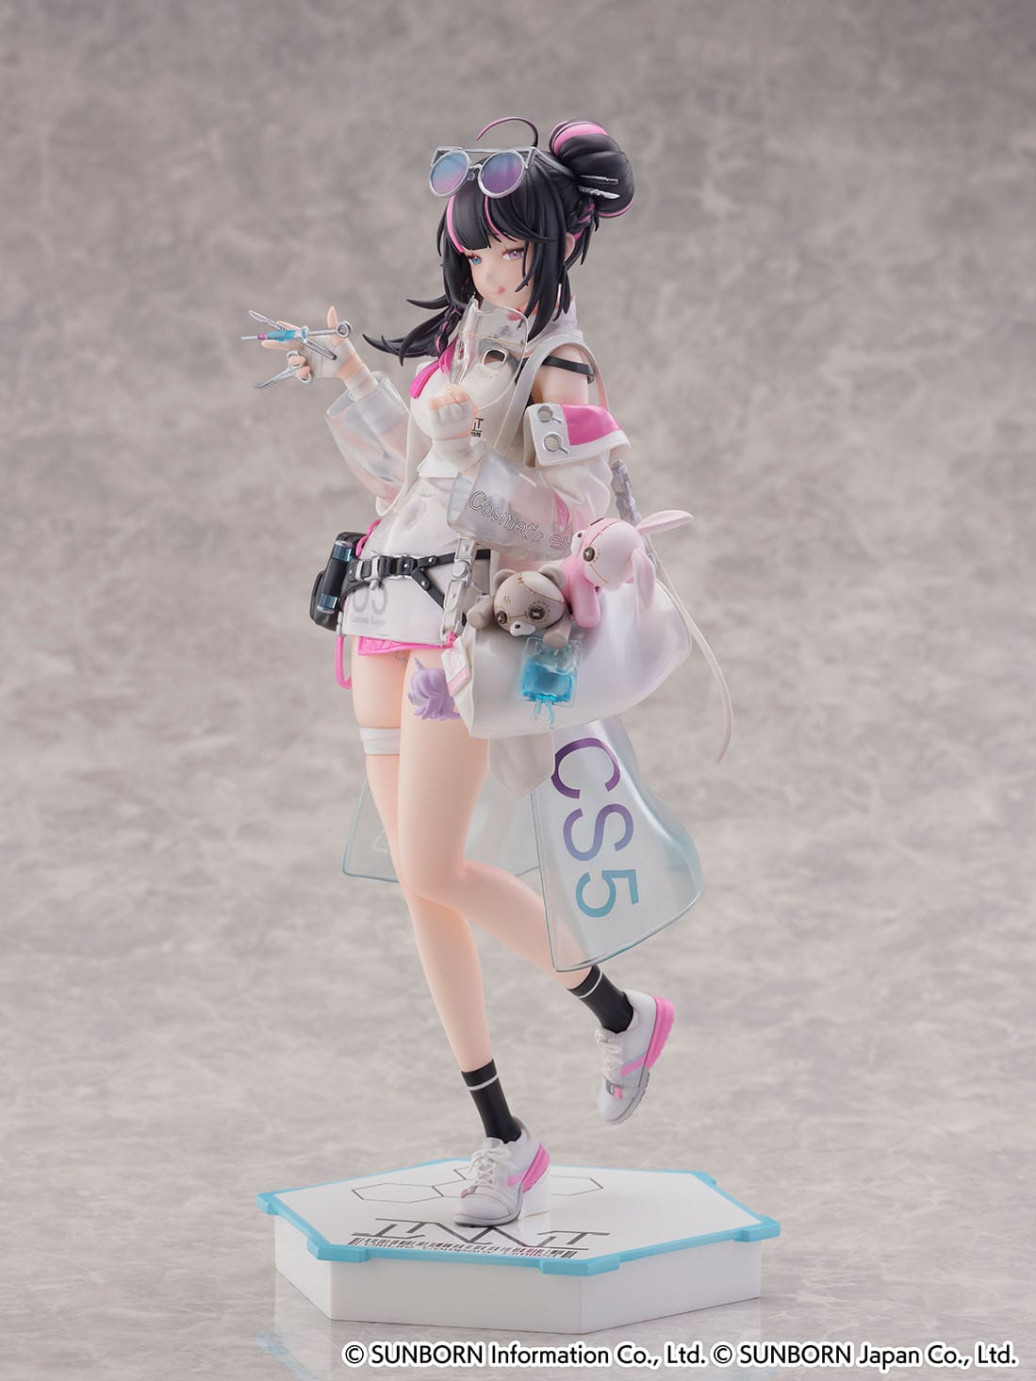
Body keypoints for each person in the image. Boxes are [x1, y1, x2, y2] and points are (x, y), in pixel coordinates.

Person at [260, 119, 676, 1227]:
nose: (491, 269)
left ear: (559, 242)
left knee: (437, 863)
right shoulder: (463, 343)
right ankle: (503, 1135)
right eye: (476, 250)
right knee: (420, 882)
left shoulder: (560, 363)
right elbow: (404, 484)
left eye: (510, 249)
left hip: (459, 631)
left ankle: (622, 1013)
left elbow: (579, 519)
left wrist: (470, 466)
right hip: (381, 612)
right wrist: (357, 379)